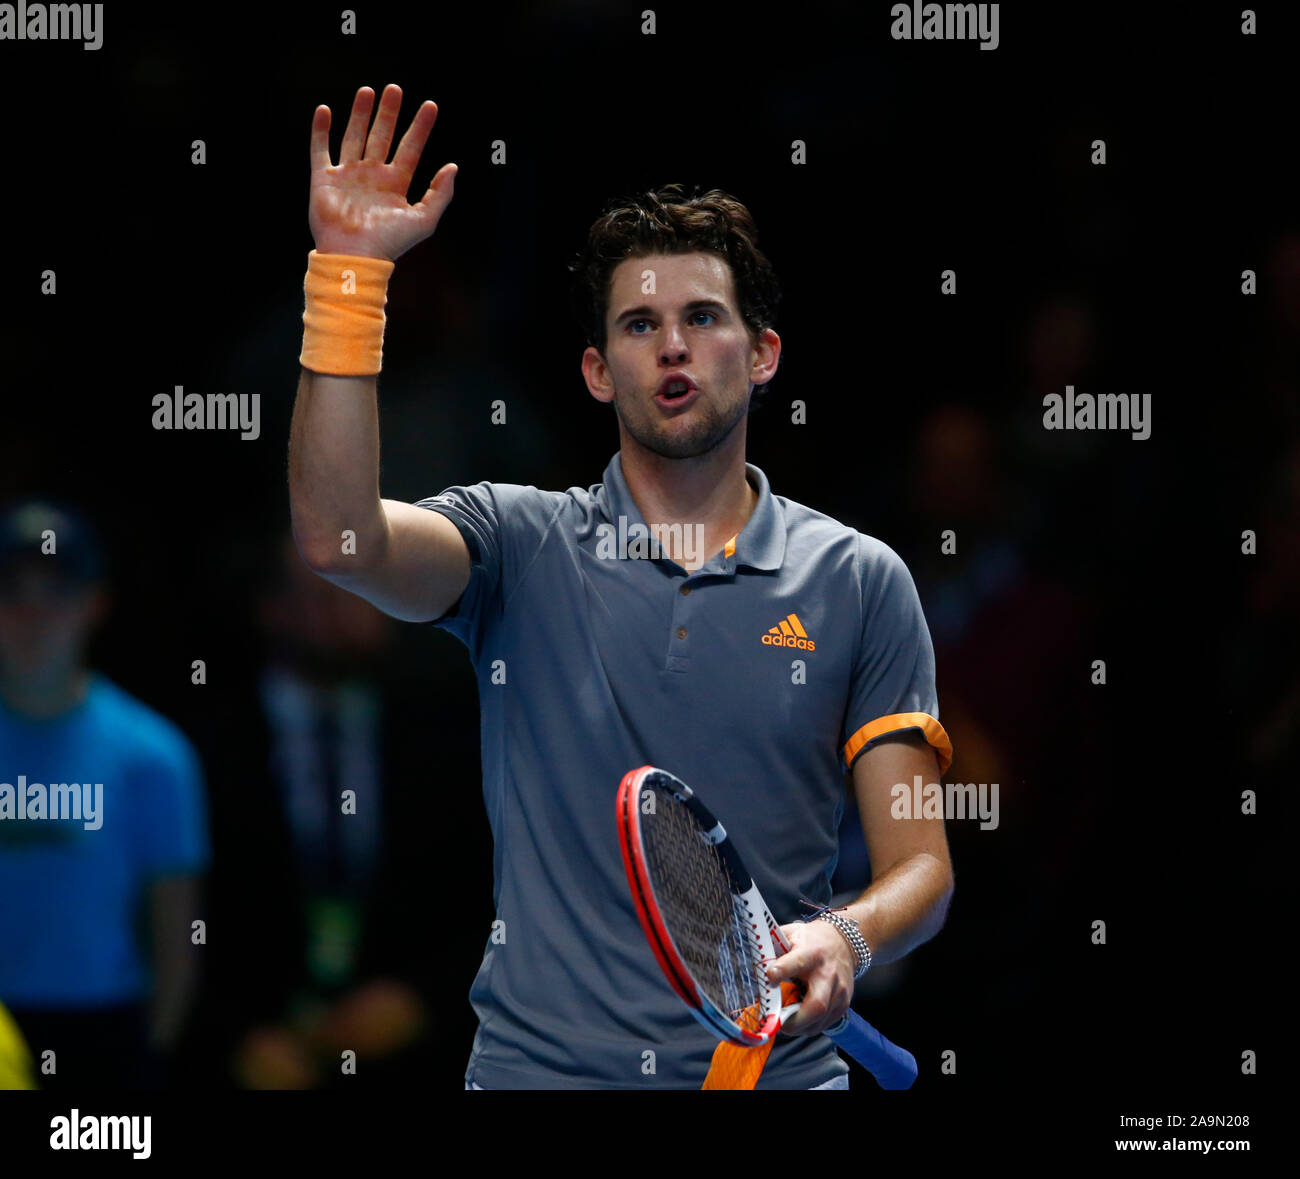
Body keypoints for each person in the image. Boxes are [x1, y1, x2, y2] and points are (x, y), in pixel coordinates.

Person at [289, 83, 955, 1089]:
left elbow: (922, 867)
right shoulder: (516, 543)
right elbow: (339, 539)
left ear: (763, 353)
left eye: (701, 316)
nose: (673, 344)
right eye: (639, 326)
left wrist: (846, 938)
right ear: (599, 372)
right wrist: (347, 278)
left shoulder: (859, 580)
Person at [0, 500, 209, 1089]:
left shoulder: (153, 756)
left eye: (55, 592)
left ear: (94, 605)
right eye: (13, 592)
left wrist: (146, 1057)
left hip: (105, 1037)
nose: (32, 614)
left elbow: (178, 941)